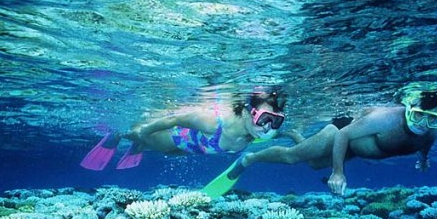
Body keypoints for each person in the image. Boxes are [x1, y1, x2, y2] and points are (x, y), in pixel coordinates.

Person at [222, 84, 437, 196]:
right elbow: (344, 134)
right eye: (418, 115)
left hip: (354, 149)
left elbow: (425, 142)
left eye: (432, 119)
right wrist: (338, 172)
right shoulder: (386, 119)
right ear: (409, 107)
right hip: (341, 133)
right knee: (293, 157)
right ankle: (249, 158)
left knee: (312, 164)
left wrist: (424, 159)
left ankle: (293, 134)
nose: (422, 123)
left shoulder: (434, 132)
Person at [80, 87, 286, 171]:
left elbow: (277, 134)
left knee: (170, 156)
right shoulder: (214, 121)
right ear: (247, 112)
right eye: (265, 119)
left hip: (187, 149)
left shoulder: (261, 131)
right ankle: (121, 134)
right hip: (174, 138)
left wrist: (292, 135)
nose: (269, 128)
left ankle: (140, 144)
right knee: (148, 139)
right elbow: (176, 118)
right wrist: (144, 132)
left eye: (276, 121)